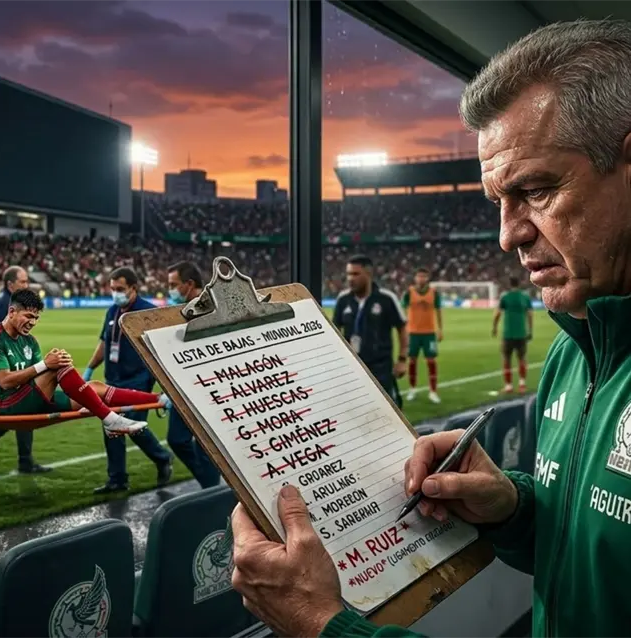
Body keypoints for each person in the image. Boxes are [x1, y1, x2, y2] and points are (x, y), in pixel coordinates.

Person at [228, 19, 631, 638]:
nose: (507, 235)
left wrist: (322, 625)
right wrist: (511, 508)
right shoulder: (575, 351)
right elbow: (595, 566)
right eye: (498, 201)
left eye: (535, 190)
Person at [0, 290, 155, 439]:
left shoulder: (30, 341)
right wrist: (46, 364)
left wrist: (85, 399)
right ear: (12, 312)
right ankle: (110, 420)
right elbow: (5, 381)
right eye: (28, 316)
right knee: (57, 366)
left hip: (27, 399)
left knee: (95, 388)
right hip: (6, 405)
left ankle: (158, 399)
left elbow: (36, 379)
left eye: (36, 318)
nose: (33, 322)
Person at [83, 267, 173, 495]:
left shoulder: (147, 313)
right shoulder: (112, 311)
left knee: (132, 424)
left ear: (133, 288)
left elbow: (163, 349)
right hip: (113, 378)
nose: (116, 293)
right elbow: (105, 343)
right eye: (113, 289)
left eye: (120, 289)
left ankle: (162, 457)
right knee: (111, 425)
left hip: (139, 378)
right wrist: (90, 368)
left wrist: (167, 385)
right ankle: (117, 479)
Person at [164, 261, 221, 488]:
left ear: (189, 284)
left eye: (173, 285)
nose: (170, 290)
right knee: (176, 439)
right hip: (182, 386)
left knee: (205, 445)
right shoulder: (178, 311)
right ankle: (210, 487)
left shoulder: (211, 308)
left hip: (208, 386)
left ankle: (211, 489)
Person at [0, 266, 48, 473]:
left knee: (23, 414)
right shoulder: (2, 307)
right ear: (10, 284)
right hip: (1, 379)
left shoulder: (6, 303)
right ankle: (25, 461)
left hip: (8, 375)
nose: (27, 285)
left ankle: (26, 460)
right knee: (10, 418)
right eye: (23, 282)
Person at [333, 255, 408, 408]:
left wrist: (402, 360)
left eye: (355, 274)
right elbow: (335, 330)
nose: (350, 279)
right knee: (353, 409)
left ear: (368, 274)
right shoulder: (343, 299)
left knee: (387, 409)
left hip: (380, 367)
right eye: (348, 274)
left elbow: (402, 328)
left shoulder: (386, 298)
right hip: (352, 367)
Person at [401, 268, 443, 404]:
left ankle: (433, 391)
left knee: (431, 361)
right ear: (415, 278)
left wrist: (440, 329)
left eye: (424, 276)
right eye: (419, 276)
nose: (421, 279)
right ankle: (412, 389)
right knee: (412, 361)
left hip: (429, 333)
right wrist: (404, 329)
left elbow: (439, 311)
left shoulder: (434, 293)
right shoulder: (409, 292)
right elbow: (402, 310)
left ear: (427, 278)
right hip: (412, 333)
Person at [493, 276, 533, 393]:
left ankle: (508, 386)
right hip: (521, 333)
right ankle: (522, 384)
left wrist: (494, 327)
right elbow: (530, 314)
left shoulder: (505, 296)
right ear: (519, 284)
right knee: (522, 359)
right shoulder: (525, 297)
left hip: (508, 334)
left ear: (509, 284)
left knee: (506, 359)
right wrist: (530, 330)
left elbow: (497, 313)